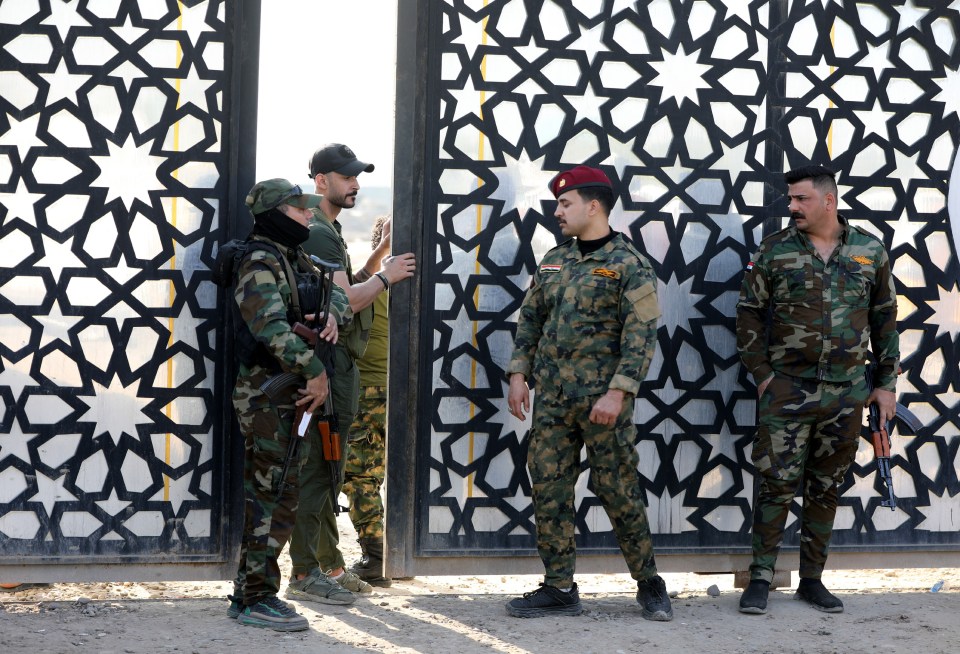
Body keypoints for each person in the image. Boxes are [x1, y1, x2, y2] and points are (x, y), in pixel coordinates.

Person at [504, 165, 673, 621]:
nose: (557, 211)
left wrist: (618, 393)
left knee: (618, 489)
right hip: (554, 402)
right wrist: (518, 373)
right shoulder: (555, 260)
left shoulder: (630, 264)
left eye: (565, 203)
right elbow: (531, 320)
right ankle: (559, 587)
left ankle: (650, 584)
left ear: (593, 205)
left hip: (604, 404)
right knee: (550, 489)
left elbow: (642, 335)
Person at [736, 164, 899, 614]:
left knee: (826, 487)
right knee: (775, 484)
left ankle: (812, 579)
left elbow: (885, 318)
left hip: (846, 393)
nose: (792, 207)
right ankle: (761, 578)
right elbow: (749, 314)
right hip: (787, 389)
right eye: (791, 199)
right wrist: (763, 374)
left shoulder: (869, 251)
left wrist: (885, 384)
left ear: (829, 201)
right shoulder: (774, 251)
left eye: (801, 199)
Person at [286, 144, 415, 605]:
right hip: (331, 366)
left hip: (339, 365)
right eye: (346, 178)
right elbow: (345, 303)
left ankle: (330, 567)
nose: (355, 185)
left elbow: (339, 290)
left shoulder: (330, 231)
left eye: (357, 177)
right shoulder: (319, 232)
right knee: (322, 470)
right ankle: (306, 573)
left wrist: (378, 258)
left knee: (330, 468)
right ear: (321, 181)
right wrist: (387, 276)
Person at [228, 178, 350, 631]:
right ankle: (255, 597)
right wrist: (314, 372)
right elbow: (270, 329)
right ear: (276, 212)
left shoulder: (290, 255)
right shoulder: (259, 259)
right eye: (300, 210)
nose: (308, 216)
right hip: (269, 394)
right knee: (272, 496)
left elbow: (335, 290)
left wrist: (332, 313)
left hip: (286, 395)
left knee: (281, 494)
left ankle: (250, 594)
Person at [342, 215, 393, 587]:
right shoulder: (420, 278)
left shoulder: (372, 283)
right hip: (417, 391)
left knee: (360, 475)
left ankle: (376, 558)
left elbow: (343, 300)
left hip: (371, 390)